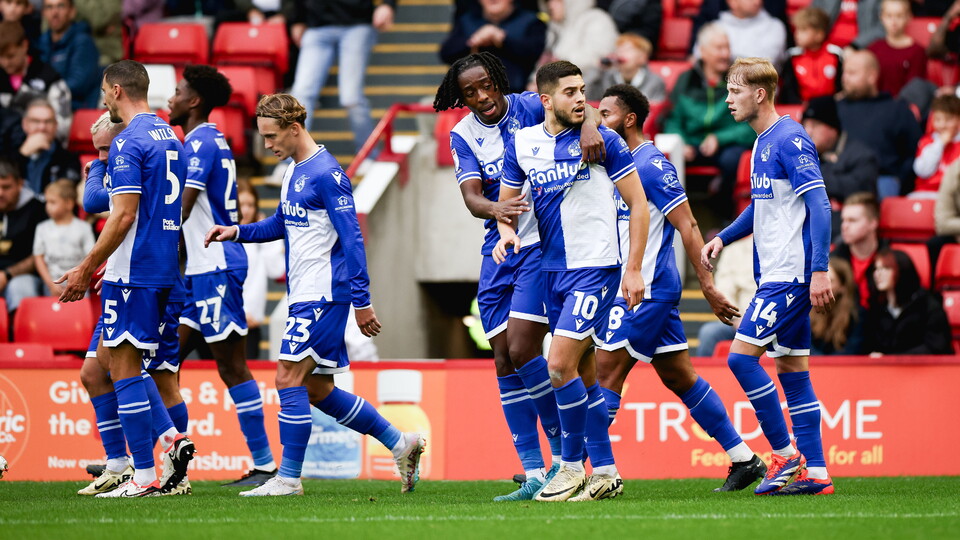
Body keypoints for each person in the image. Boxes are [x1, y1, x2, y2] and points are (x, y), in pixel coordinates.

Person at [205, 93, 426, 497]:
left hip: (323, 294)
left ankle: (287, 478)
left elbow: (353, 237)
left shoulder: (327, 173)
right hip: (304, 292)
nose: (267, 144)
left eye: (272, 136)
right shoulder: (294, 170)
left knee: (287, 376)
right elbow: (281, 224)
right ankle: (400, 442)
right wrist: (237, 231)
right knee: (317, 390)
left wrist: (361, 301)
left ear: (294, 129)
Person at [434, 52, 607, 500]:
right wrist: (498, 211)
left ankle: (564, 459)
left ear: (498, 80)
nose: (482, 96)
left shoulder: (531, 105)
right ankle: (533, 473)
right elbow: (472, 197)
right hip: (500, 245)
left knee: (524, 346)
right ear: (461, 96)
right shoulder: (463, 135)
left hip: (543, 247)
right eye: (470, 91)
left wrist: (588, 124)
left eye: (486, 85)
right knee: (502, 359)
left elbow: (577, 105)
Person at [596, 83, 767, 492]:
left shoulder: (652, 165)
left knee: (606, 371)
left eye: (606, 114)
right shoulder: (613, 165)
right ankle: (744, 459)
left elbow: (688, 225)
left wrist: (706, 285)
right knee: (680, 376)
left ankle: (572, 468)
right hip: (635, 286)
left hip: (649, 288)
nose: (598, 121)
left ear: (630, 119)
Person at [495, 60, 649, 502]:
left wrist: (633, 268)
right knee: (582, 376)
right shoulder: (523, 143)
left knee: (557, 364)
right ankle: (604, 472)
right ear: (546, 100)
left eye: (583, 90)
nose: (581, 98)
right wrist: (506, 233)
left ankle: (568, 468)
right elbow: (507, 203)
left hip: (596, 267)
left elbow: (638, 205)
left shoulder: (606, 141)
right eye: (570, 92)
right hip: (551, 270)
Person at [56, 60, 194, 498]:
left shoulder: (128, 142)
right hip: (161, 266)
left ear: (116, 90)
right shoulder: (168, 136)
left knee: (124, 367)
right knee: (104, 363)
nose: (102, 101)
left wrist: (85, 267)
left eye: (103, 92)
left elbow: (123, 213)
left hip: (135, 269)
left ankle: (147, 473)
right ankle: (163, 447)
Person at [702, 57, 836, 495]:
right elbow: (763, 207)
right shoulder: (762, 142)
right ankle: (816, 473)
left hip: (790, 275)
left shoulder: (791, 139)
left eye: (734, 91)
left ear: (759, 93)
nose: (727, 100)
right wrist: (725, 236)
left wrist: (818, 269)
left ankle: (784, 453)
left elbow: (819, 204)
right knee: (793, 371)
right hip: (777, 273)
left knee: (740, 358)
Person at [167, 63, 277, 487]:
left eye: (177, 92)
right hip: (199, 269)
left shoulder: (200, 144)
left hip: (216, 265)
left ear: (194, 101)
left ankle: (266, 464)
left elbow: (182, 208)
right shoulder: (204, 140)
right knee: (164, 361)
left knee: (232, 367)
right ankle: (166, 460)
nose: (170, 99)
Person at [664, 23, 756, 219]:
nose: (725, 54)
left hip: (726, 147)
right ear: (703, 52)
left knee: (734, 160)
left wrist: (718, 138)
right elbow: (672, 118)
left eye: (727, 47)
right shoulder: (686, 80)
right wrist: (681, 142)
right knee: (665, 155)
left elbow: (750, 125)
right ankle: (672, 218)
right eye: (718, 48)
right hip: (692, 144)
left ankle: (724, 216)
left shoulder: (740, 79)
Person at [289, 0, 395, 151]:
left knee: (351, 97)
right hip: (316, 24)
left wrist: (387, 4)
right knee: (301, 95)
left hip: (356, 22)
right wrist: (298, 18)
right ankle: (290, 161)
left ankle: (370, 155)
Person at [837, 50, 922, 199]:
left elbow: (915, 150)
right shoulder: (835, 108)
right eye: (844, 73)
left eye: (852, 73)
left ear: (872, 76)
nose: (845, 78)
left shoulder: (897, 109)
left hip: (882, 180)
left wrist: (900, 179)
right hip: (839, 177)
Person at [801, 95, 879, 233]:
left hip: (843, 229)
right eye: (805, 125)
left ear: (832, 128)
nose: (808, 132)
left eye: (815, 125)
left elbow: (860, 190)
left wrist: (815, 178)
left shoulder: (861, 156)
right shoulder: (803, 156)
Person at [440, 0, 546, 95]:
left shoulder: (531, 21)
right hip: (474, 97)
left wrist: (503, 39)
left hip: (518, 96)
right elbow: (446, 53)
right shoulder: (466, 21)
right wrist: (474, 40)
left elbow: (537, 53)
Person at [863, 248, 954, 354]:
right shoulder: (876, 307)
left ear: (902, 270)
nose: (877, 274)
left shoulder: (927, 305)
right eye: (876, 269)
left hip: (923, 368)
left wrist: (892, 359)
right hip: (884, 369)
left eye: (886, 268)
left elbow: (936, 347)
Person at [236, 178, 285, 360]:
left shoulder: (258, 240)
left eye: (251, 204)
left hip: (252, 326)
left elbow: (276, 270)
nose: (247, 210)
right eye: (242, 204)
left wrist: (266, 234)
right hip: (226, 323)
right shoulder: (221, 237)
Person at [0, 20, 71, 140]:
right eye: (0, 57)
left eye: (10, 56)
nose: (5, 62)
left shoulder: (49, 79)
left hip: (43, 151)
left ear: (24, 46)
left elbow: (62, 129)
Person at [695, 235, 756, 356]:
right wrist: (736, 319)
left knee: (803, 327)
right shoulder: (734, 251)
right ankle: (704, 374)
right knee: (709, 332)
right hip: (740, 321)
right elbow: (725, 290)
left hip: (781, 322)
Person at [36, 0, 101, 110]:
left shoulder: (83, 41)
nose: (54, 13)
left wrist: (44, 91)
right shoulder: (42, 41)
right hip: (46, 105)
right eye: (49, 7)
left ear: (72, 12)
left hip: (74, 109)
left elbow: (78, 84)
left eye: (60, 6)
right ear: (43, 13)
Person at [33, 178, 93, 296]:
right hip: (52, 285)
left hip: (78, 284)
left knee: (79, 313)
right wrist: (50, 284)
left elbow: (90, 256)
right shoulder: (42, 228)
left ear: (69, 204)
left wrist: (80, 279)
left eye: (53, 202)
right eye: (47, 202)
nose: (48, 206)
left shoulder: (84, 228)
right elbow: (38, 257)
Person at [0, 157, 44, 315]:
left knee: (21, 288)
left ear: (20, 184)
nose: (0, 193)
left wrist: (7, 274)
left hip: (22, 275)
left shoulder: (36, 210)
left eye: (6, 187)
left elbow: (41, 254)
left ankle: (21, 335)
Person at [780, 7, 844, 105]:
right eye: (796, 30)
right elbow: (789, 90)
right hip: (800, 109)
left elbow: (841, 88)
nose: (797, 35)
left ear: (819, 34)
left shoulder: (835, 54)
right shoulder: (792, 57)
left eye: (803, 30)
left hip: (831, 108)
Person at [831, 192, 885, 308]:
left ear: (873, 223)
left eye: (852, 220)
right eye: (844, 220)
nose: (844, 226)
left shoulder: (889, 259)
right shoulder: (834, 259)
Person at [16, 98, 80, 196]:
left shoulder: (68, 159)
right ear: (25, 124)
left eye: (48, 121)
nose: (42, 127)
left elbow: (65, 194)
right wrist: (22, 154)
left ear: (56, 125)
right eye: (36, 121)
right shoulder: (9, 152)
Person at [866, 0, 927, 98]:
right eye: (889, 16)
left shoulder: (917, 51)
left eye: (899, 16)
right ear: (881, 17)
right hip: (875, 105)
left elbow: (915, 89)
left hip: (903, 107)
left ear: (909, 17)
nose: (893, 21)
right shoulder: (873, 48)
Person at [540, 0, 618, 75]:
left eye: (558, 0)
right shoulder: (554, 29)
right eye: (547, 1)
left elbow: (599, 59)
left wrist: (558, 64)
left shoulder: (596, 19)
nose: (550, 5)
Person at [584, 33, 667, 103]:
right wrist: (597, 69)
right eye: (619, 50)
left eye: (627, 50)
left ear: (642, 58)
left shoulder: (654, 82)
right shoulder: (606, 78)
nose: (621, 54)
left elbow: (655, 112)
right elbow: (585, 96)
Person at [810, 257, 864, 355]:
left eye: (830, 281)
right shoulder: (807, 312)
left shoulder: (857, 315)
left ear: (843, 287)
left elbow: (853, 349)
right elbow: (805, 346)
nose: (823, 286)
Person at [712, 0, 787, 69]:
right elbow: (703, 61)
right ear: (732, 2)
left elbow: (763, 65)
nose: (757, 2)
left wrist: (724, 59)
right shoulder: (715, 27)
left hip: (762, 83)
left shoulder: (774, 26)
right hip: (720, 82)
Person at [913, 95, 960, 195]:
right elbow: (922, 171)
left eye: (948, 120)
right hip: (927, 192)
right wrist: (939, 144)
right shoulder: (927, 142)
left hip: (954, 194)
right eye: (938, 120)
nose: (942, 125)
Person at [812, 0, 884, 49]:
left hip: (861, 48)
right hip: (825, 47)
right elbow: (811, 16)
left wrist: (855, 46)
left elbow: (883, 27)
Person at [595, 0, 662, 52]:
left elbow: (649, 30)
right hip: (602, 42)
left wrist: (625, 41)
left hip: (631, 43)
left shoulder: (648, 3)